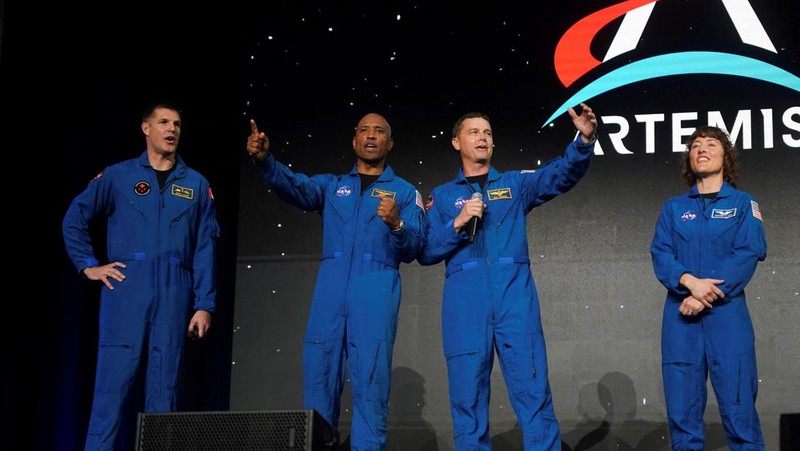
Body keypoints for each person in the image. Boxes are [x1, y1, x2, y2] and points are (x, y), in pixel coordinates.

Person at [418, 105, 598, 449]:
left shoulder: (515, 184)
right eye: (473, 132)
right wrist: (457, 222)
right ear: (457, 142)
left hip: (515, 303)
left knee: (534, 395)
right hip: (465, 310)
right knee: (467, 403)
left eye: (487, 133)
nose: (482, 138)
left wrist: (584, 139)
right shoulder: (441, 197)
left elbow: (560, 174)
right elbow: (425, 252)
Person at [245, 113, 426, 450]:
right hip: (329, 294)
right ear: (354, 140)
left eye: (379, 132)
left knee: (371, 387)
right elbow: (295, 186)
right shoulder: (331, 186)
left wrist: (397, 223)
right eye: (364, 131)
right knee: (318, 379)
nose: (371, 136)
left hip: (374, 291)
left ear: (390, 143)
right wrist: (264, 160)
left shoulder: (404, 192)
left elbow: (416, 247)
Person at [62, 102, 221, 451]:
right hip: (126, 291)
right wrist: (88, 265)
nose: (172, 129)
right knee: (110, 394)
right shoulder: (119, 176)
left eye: (177, 123)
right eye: (163, 122)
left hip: (175, 291)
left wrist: (204, 304)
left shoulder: (195, 184)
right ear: (146, 129)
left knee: (165, 396)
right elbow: (74, 218)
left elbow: (206, 248)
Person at [650, 125, 766, 450]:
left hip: (727, 320)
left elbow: (748, 252)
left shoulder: (744, 204)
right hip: (680, 322)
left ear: (725, 156)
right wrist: (688, 282)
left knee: (740, 416)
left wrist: (702, 297)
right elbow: (661, 252)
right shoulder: (673, 209)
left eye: (711, 144)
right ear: (689, 158)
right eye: (695, 145)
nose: (702, 149)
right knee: (683, 423)